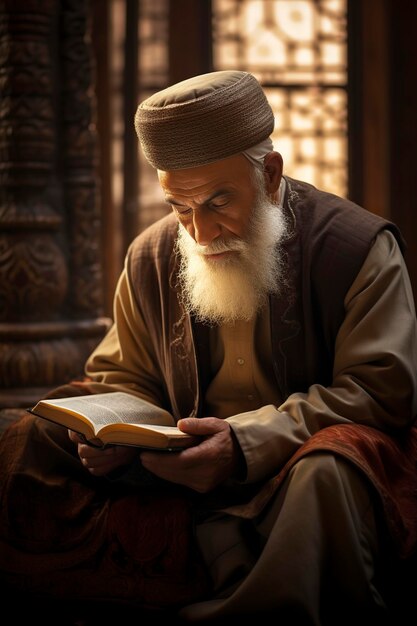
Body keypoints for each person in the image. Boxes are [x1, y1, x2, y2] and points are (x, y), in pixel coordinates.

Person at [1, 70, 417, 625]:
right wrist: (111, 437)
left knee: (328, 473)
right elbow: (123, 377)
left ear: (270, 175)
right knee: (24, 439)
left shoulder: (356, 248)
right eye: (181, 207)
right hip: (175, 467)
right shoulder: (151, 256)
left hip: (292, 469)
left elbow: (379, 388)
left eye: (219, 202)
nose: (201, 233)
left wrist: (245, 445)